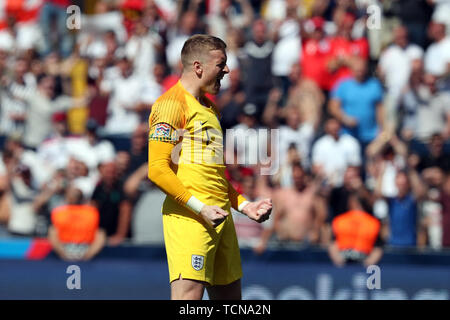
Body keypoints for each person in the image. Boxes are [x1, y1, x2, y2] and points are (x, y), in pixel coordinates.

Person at [147, 34, 272, 300]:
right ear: (198, 66)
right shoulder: (171, 104)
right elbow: (157, 169)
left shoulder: (211, 110)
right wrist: (199, 208)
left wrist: (244, 205)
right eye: (221, 63)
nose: (227, 70)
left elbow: (213, 175)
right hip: (191, 218)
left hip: (220, 217)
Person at [48, 186, 106, 261]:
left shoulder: (58, 212)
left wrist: (64, 255)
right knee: (101, 233)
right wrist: (88, 255)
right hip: (85, 250)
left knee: (52, 230)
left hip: (66, 249)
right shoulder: (92, 212)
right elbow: (100, 234)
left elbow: (53, 232)